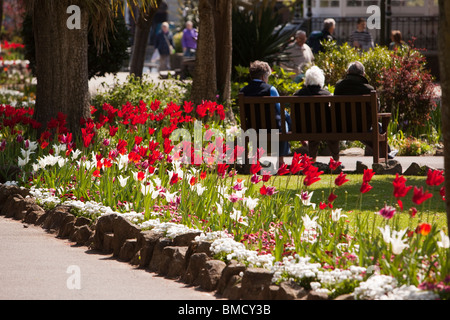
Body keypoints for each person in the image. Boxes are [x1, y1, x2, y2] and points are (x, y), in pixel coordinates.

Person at [334, 62, 396, 159]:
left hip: (342, 127)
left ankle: (386, 153)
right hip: (362, 127)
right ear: (363, 74)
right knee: (378, 126)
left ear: (348, 72)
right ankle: (385, 153)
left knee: (372, 127)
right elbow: (376, 110)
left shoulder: (339, 87)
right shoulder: (369, 89)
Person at [240, 61, 292, 157]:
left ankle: (257, 160)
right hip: (272, 128)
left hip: (253, 128)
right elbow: (280, 110)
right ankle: (281, 161)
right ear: (264, 77)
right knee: (284, 123)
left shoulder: (243, 91)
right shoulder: (270, 89)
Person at [294, 66, 340, 163]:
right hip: (325, 129)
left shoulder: (298, 94)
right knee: (331, 133)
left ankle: (312, 160)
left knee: (313, 131)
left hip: (304, 129)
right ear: (321, 79)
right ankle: (336, 160)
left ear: (307, 80)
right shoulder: (327, 94)